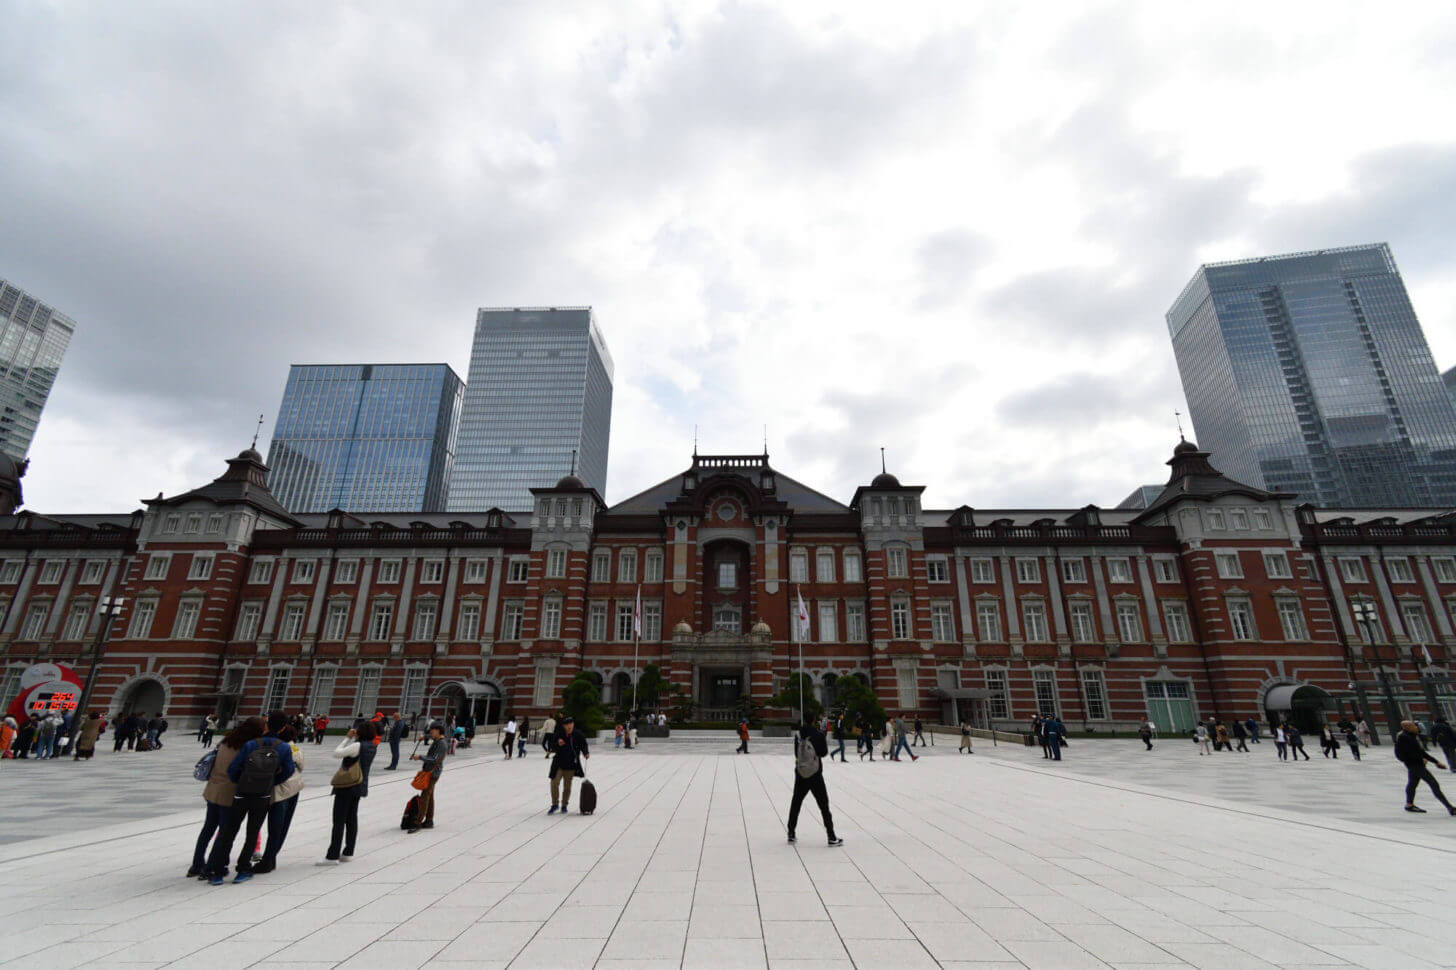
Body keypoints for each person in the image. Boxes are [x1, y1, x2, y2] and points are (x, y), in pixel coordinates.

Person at [206, 712, 297, 884]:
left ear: (267, 725)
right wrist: (271, 782)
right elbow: (289, 771)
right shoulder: (284, 747)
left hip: (241, 793)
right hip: (262, 795)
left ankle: (217, 872)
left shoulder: (250, 744)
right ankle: (243, 869)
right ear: (284, 727)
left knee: (229, 831)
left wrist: (240, 782)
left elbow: (234, 768)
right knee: (252, 832)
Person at [191, 716, 263, 879]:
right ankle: (210, 868)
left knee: (207, 830)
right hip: (229, 793)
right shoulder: (247, 747)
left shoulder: (226, 741)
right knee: (224, 833)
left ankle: (196, 865)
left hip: (213, 790)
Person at [320, 721, 375, 863]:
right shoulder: (372, 746)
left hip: (347, 785)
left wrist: (347, 738)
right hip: (360, 784)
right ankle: (348, 851)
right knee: (351, 819)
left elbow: (336, 753)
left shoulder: (357, 745)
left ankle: (332, 855)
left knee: (339, 821)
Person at [256, 725, 306, 873]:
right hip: (294, 787)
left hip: (281, 789)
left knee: (275, 826)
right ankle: (271, 857)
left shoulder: (279, 748)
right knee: (283, 825)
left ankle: (268, 859)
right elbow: (301, 766)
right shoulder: (295, 749)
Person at [787, 719, 842, 847]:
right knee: (824, 806)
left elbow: (796, 753)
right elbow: (823, 752)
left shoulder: (798, 735)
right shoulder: (818, 734)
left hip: (801, 773)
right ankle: (831, 836)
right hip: (815, 774)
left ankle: (791, 833)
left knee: (796, 802)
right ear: (814, 720)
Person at [1397, 720, 1455, 814]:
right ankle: (1450, 807)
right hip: (1415, 765)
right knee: (1433, 784)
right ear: (1408, 727)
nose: (1417, 728)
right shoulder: (1404, 738)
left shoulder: (1410, 736)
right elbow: (1403, 754)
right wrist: (1419, 760)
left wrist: (1436, 762)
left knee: (1412, 784)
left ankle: (1409, 805)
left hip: (1415, 765)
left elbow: (1420, 752)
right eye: (1414, 726)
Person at [408, 723, 448, 832]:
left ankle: (418, 822)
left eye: (432, 731)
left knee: (425, 797)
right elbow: (429, 737)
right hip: (431, 772)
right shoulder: (438, 741)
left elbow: (434, 759)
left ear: (438, 731)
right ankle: (429, 820)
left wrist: (419, 757)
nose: (430, 733)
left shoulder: (441, 744)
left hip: (432, 773)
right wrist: (424, 736)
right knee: (429, 796)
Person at [547, 716, 590, 814]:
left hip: (571, 764)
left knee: (567, 786)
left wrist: (585, 752)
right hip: (558, 764)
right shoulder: (559, 734)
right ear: (563, 726)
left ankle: (564, 805)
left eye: (571, 724)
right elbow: (552, 745)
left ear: (573, 724)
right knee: (554, 783)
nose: (569, 726)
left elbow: (584, 744)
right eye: (567, 725)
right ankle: (555, 804)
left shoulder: (578, 734)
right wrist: (558, 743)